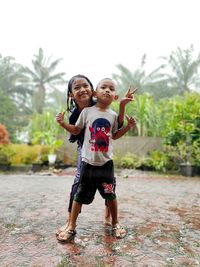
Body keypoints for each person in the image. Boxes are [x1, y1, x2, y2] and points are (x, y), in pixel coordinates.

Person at [56, 75, 136, 241]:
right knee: (79, 191)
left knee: (110, 192)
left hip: (106, 162)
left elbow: (115, 132)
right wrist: (63, 123)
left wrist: (125, 117)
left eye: (111, 89)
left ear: (91, 91)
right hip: (87, 159)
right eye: (76, 88)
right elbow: (76, 131)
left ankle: (113, 222)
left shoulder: (111, 113)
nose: (106, 90)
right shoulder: (84, 112)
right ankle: (71, 224)